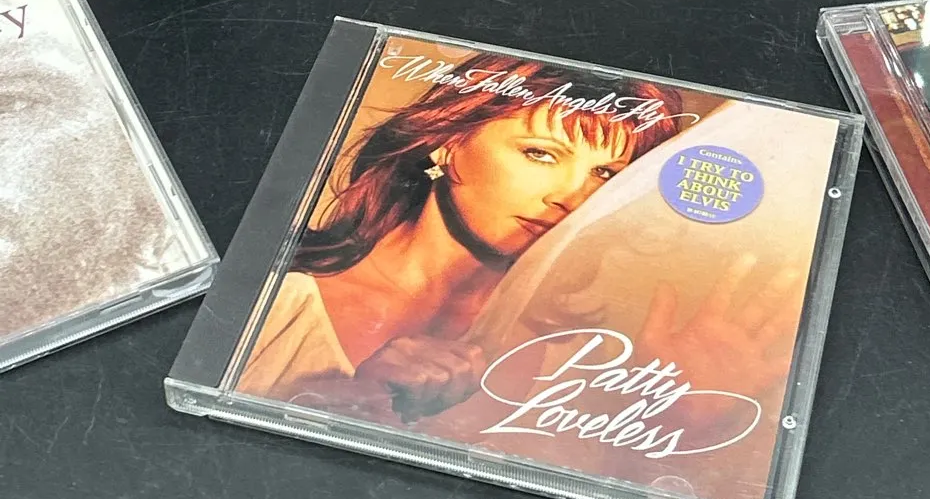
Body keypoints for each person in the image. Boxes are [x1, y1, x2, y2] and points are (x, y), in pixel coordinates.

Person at [237, 56, 803, 426]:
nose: (571, 196)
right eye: (540, 153)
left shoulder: (577, 362)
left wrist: (673, 418)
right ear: (446, 142)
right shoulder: (270, 296)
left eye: (605, 175)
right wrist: (356, 402)